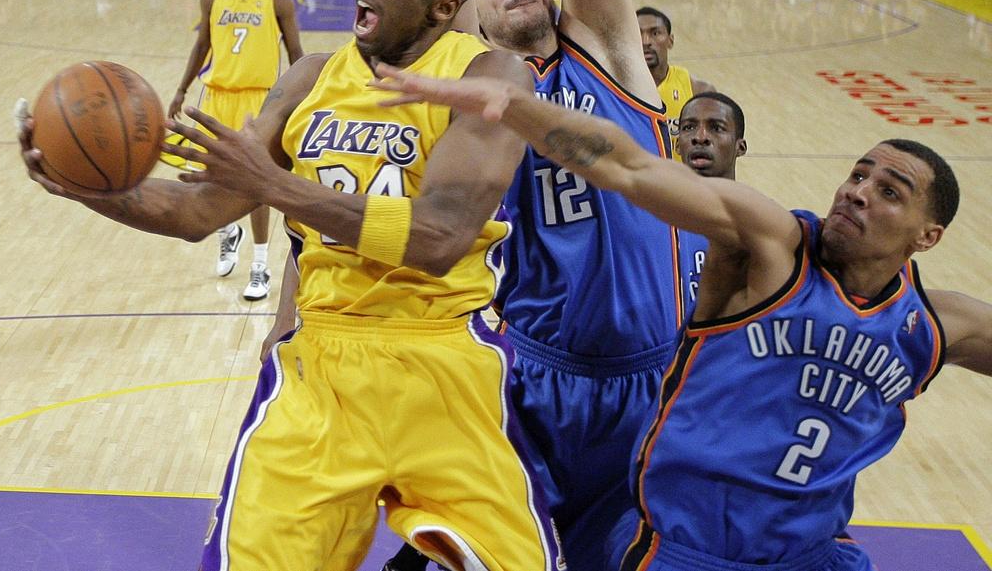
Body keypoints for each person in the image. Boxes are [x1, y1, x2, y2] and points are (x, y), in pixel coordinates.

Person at [19, 0, 562, 571]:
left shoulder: (488, 72)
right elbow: (202, 210)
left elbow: (440, 234)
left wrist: (274, 184)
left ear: (444, 8)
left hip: (445, 363)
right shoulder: (309, 79)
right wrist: (83, 186)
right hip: (319, 371)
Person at [370, 64, 992, 571]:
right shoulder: (772, 247)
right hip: (686, 553)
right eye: (859, 174)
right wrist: (512, 105)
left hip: (809, 557)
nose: (857, 190)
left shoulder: (935, 325)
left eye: (890, 191)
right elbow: (629, 167)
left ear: (928, 236)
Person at [368, 0, 679, 568]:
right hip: (525, 376)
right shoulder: (477, 79)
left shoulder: (609, 50)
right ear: (460, 8)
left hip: (652, 380)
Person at [167, 0, 303, 300]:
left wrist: (303, 101)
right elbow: (202, 45)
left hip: (259, 100)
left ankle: (260, 265)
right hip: (218, 96)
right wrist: (181, 89)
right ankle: (228, 231)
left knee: (255, 186)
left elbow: (297, 55)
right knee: (206, 175)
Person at [673, 92, 746, 310]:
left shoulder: (760, 228)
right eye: (688, 127)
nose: (700, 137)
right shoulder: (651, 221)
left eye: (716, 128)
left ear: (739, 147)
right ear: (677, 145)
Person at [638, 6, 714, 160]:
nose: (646, 41)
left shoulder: (698, 90)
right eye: (638, 33)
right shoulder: (612, 89)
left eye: (655, 33)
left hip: (683, 182)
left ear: (670, 41)